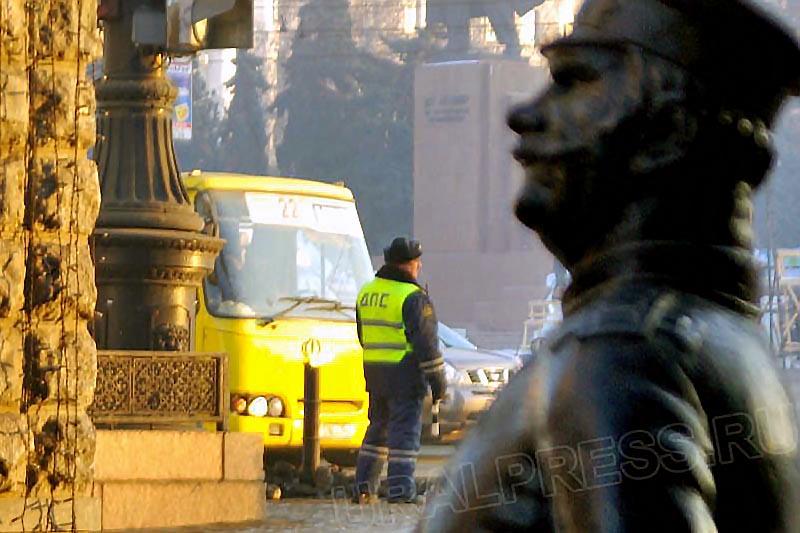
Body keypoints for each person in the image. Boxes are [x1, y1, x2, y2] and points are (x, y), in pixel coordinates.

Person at [419, 0, 800, 530]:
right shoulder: (722, 341)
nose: (523, 115)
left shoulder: (622, 355)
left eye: (573, 81)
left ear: (668, 132)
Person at [354, 237, 447, 504]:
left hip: (374, 371)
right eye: (417, 264)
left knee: (377, 429)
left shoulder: (366, 292)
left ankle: (363, 487)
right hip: (405, 374)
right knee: (404, 433)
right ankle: (400, 490)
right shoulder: (412, 297)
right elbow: (426, 345)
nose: (419, 268)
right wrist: (438, 382)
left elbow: (363, 336)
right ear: (409, 265)